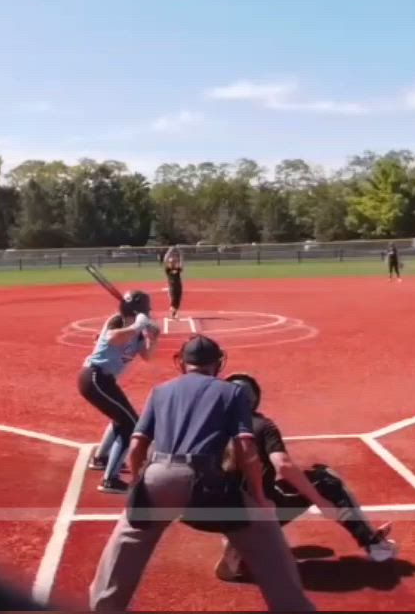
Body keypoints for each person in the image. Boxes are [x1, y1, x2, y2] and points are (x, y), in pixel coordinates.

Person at [89, 336, 314, 612]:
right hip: (205, 480)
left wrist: (139, 485)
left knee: (126, 541)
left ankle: (104, 607)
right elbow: (246, 448)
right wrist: (259, 497)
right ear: (218, 364)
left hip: (157, 474)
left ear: (182, 362)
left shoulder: (160, 391)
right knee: (268, 541)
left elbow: (136, 446)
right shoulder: (232, 393)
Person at [215, 372, 397, 582]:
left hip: (212, 510)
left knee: (238, 491)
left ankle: (237, 538)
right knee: (325, 480)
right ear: (254, 400)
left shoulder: (207, 426)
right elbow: (283, 465)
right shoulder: (263, 426)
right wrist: (321, 502)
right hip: (254, 511)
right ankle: (375, 545)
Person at [80, 290, 160, 493]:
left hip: (105, 382)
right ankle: (110, 480)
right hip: (94, 378)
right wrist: (138, 326)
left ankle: (101, 458)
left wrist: (152, 338)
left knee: (122, 418)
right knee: (130, 424)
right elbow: (114, 339)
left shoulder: (137, 332)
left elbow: (147, 356)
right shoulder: (117, 321)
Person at [163, 246, 183, 319]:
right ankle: (172, 312)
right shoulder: (168, 270)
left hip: (179, 286)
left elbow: (181, 263)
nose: (172, 263)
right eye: (171, 262)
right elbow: (165, 260)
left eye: (174, 262)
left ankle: (174, 313)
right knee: (173, 299)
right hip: (172, 287)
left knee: (178, 300)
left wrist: (180, 254)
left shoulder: (177, 269)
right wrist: (169, 251)